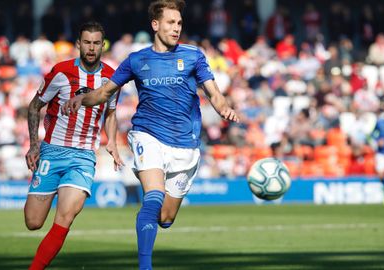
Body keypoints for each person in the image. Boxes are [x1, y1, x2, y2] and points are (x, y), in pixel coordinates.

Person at [62, 1, 238, 269]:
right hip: (148, 135)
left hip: (185, 145)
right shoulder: (136, 60)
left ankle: (152, 223)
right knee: (152, 198)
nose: (176, 28)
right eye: (170, 22)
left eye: (179, 23)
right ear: (155, 25)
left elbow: (213, 93)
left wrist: (224, 108)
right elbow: (105, 93)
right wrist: (82, 99)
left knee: (166, 218)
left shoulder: (193, 56)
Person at [24, 21, 123, 270]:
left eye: (96, 43)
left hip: (83, 157)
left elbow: (110, 113)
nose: (91, 48)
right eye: (87, 42)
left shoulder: (112, 77)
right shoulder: (61, 71)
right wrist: (34, 145)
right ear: (79, 44)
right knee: (33, 222)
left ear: (103, 45)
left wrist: (111, 141)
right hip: (52, 151)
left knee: (66, 216)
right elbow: (35, 106)